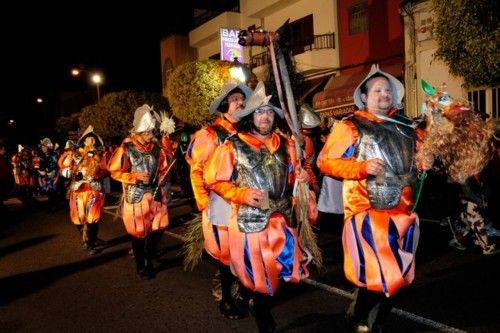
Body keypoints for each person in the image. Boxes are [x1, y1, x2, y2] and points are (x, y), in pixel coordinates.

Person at [317, 65, 433, 333]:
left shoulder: (407, 126)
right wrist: (361, 168)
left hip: (402, 212)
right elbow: (325, 162)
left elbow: (418, 162)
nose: (384, 94)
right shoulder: (351, 126)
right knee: (385, 273)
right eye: (377, 90)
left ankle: (365, 315)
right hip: (366, 210)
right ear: (365, 97)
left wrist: (425, 161)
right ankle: (366, 318)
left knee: (397, 276)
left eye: (387, 90)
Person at [204, 81, 311, 332]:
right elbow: (214, 179)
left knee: (279, 269)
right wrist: (240, 193)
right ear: (250, 116)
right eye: (260, 112)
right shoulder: (232, 145)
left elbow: (294, 175)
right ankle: (263, 315)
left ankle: (258, 302)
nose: (265, 117)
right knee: (258, 272)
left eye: (270, 112)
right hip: (250, 220)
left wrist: (303, 177)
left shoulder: (286, 144)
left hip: (282, 218)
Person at [185, 80, 252, 320]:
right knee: (226, 254)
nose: (240, 103)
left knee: (245, 250)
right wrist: (204, 201)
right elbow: (196, 169)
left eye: (242, 100)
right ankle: (225, 299)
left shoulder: (247, 132)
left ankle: (245, 292)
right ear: (224, 105)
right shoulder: (209, 135)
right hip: (221, 202)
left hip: (246, 201)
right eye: (235, 100)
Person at [108, 104, 171, 279]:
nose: (152, 134)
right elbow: (114, 171)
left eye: (152, 131)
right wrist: (133, 176)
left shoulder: (157, 148)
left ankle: (149, 254)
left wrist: (163, 176)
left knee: (158, 228)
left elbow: (163, 168)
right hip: (136, 196)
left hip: (155, 194)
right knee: (138, 233)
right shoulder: (127, 148)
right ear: (139, 131)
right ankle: (141, 264)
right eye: (148, 131)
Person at [68, 126, 107, 256]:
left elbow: (106, 169)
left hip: (94, 189)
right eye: (90, 138)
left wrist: (98, 175)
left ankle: (90, 242)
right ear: (84, 141)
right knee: (78, 218)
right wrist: (73, 173)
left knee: (93, 217)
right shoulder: (77, 154)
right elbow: (66, 169)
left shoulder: (100, 154)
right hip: (79, 190)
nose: (92, 141)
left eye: (94, 139)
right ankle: (88, 238)